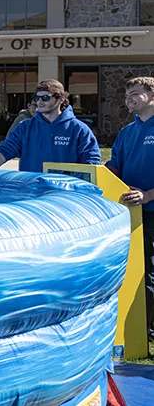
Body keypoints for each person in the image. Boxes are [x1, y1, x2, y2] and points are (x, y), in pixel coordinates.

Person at [104, 76, 154, 338]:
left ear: (152, 96)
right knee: (136, 272)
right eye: (126, 95)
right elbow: (114, 167)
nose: (129, 99)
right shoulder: (127, 132)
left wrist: (147, 195)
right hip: (130, 214)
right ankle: (140, 329)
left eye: (135, 93)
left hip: (150, 209)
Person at [0, 79, 100, 172]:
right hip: (31, 191)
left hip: (64, 195)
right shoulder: (25, 127)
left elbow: (91, 162)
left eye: (45, 98)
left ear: (60, 99)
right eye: (37, 98)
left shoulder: (79, 130)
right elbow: (5, 151)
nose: (40, 102)